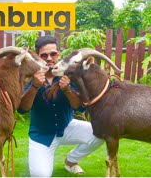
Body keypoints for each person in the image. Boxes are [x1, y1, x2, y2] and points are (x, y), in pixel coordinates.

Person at [18, 35, 103, 177]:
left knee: (101, 131)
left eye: (53, 54)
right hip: (42, 136)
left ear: (59, 54)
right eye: (44, 55)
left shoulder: (70, 74)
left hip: (67, 127)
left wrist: (67, 90)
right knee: (41, 175)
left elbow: (80, 107)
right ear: (38, 56)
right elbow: (22, 109)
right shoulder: (31, 77)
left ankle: (71, 161)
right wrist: (35, 86)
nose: (49, 58)